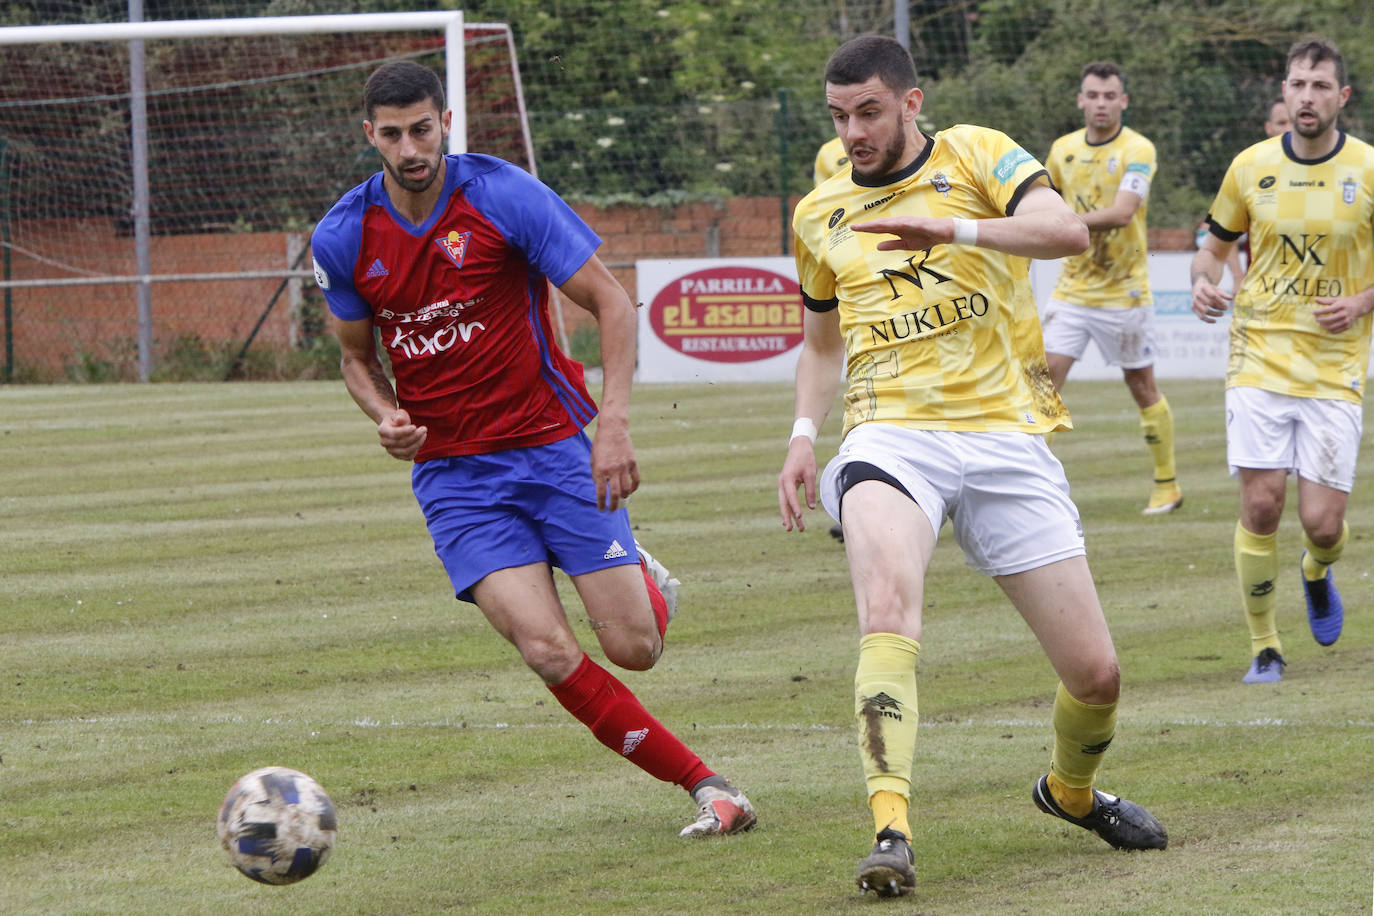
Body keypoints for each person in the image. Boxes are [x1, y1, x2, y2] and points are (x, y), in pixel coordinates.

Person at [310, 60, 755, 837]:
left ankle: (637, 577)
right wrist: (384, 414)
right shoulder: (345, 235)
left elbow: (611, 301)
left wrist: (611, 423)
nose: (410, 147)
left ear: (444, 121)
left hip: (552, 448)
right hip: (453, 476)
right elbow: (354, 357)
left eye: (422, 128)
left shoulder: (501, 194)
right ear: (368, 135)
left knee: (635, 648)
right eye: (392, 134)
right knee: (547, 650)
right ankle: (711, 790)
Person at [779, 35, 1167, 899]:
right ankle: (892, 831)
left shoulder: (982, 152)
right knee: (887, 608)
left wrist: (950, 226)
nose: (854, 132)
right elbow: (819, 339)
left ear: (912, 103)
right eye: (840, 116)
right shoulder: (820, 210)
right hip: (889, 433)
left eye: (870, 112)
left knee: (1097, 676)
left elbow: (1066, 230)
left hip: (1004, 434)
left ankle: (1070, 793)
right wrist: (805, 433)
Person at [1191, 37, 1374, 683]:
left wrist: (1361, 302)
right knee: (1262, 505)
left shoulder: (1369, 170)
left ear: (1341, 97)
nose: (1307, 96)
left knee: (1323, 524)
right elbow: (1212, 248)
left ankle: (1318, 571)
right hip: (1259, 353)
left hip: (1334, 365)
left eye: (1321, 86)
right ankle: (1264, 646)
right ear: (1285, 91)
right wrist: (1202, 282)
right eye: (1298, 84)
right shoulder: (1251, 166)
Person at [1041, 62, 1183, 515]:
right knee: (1041, 383)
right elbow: (1042, 204)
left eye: (1110, 96)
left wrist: (1062, 225)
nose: (1101, 103)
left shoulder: (1138, 149)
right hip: (1072, 290)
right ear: (1081, 100)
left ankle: (1167, 485)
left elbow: (1123, 212)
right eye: (1093, 95)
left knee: (1142, 387)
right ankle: (1031, 487)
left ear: (1123, 101)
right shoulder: (1061, 151)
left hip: (1124, 292)